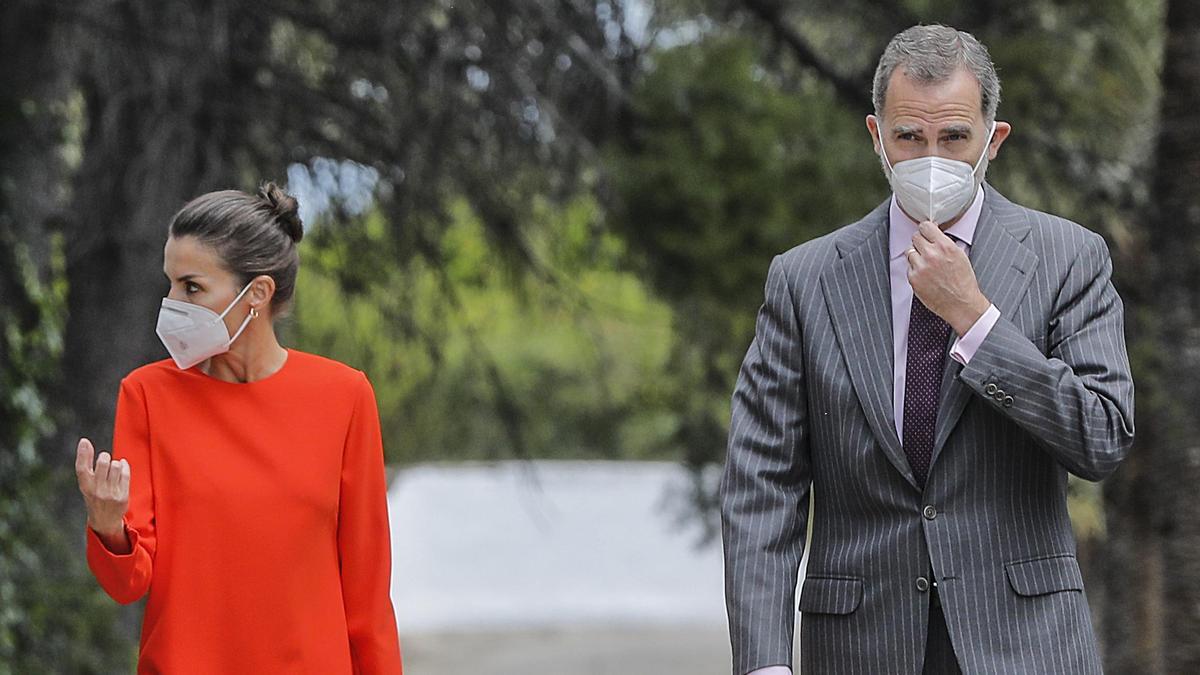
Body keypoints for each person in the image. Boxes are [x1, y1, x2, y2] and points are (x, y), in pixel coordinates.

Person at [721, 24, 1134, 675]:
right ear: (876, 135)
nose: (929, 156)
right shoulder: (803, 280)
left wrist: (976, 319)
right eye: (909, 136)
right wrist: (765, 662)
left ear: (992, 139)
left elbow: (1101, 437)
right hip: (860, 646)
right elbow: (761, 485)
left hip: (1025, 644)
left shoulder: (1069, 259)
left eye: (954, 137)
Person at [75, 183, 404, 673]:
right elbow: (128, 584)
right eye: (169, 284)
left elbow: (367, 595)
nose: (171, 303)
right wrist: (107, 526)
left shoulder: (345, 396)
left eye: (191, 287)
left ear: (257, 294)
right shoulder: (146, 395)